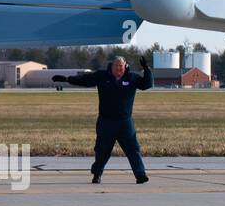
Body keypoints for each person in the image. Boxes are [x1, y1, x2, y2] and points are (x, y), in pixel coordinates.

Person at [53, 56, 152, 184]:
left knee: (133, 149)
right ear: (111, 66)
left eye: (121, 66)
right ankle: (97, 174)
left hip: (125, 123)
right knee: (102, 151)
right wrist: (67, 79)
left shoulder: (132, 78)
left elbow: (147, 84)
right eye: (116, 66)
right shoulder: (102, 76)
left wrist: (147, 69)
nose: (118, 68)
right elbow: (85, 80)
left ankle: (140, 174)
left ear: (125, 66)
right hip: (106, 122)